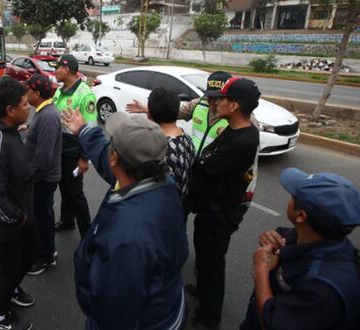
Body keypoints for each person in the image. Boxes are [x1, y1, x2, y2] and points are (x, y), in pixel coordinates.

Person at [63, 110, 188, 330]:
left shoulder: (127, 240)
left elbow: (116, 311)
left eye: (113, 144)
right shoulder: (159, 180)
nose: (108, 147)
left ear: (115, 159)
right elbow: (104, 156)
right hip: (165, 306)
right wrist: (83, 130)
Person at [241, 168, 360, 330]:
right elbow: (289, 235)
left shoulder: (324, 290)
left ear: (301, 215)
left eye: (292, 196)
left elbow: (271, 324)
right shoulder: (316, 236)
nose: (289, 198)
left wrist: (260, 272)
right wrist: (273, 238)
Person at [185, 78, 261, 329]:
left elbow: (204, 168)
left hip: (221, 211)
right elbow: (207, 156)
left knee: (213, 262)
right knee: (205, 257)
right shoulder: (235, 128)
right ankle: (204, 291)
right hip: (211, 206)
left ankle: (209, 316)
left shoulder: (242, 140)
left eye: (223, 99)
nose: (217, 103)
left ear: (235, 105)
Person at [0, 77, 36, 330]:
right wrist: (19, 218)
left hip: (18, 220)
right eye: (24, 104)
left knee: (28, 257)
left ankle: (11, 290)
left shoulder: (8, 131)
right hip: (5, 226)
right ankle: (0, 317)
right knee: (8, 271)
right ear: (10, 111)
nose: (29, 107)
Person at [127, 71, 233, 155]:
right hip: (194, 164)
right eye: (210, 96)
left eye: (218, 98)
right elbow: (171, 112)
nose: (213, 102)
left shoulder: (238, 117)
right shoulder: (198, 104)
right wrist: (149, 110)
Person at [52, 54, 96, 237]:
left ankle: (87, 234)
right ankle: (67, 220)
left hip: (75, 150)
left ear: (66, 69)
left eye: (57, 68)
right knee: (64, 186)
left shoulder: (85, 94)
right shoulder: (60, 91)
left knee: (76, 193)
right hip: (60, 148)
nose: (55, 71)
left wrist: (85, 158)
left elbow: (91, 129)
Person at [23, 74, 63, 276]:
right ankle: (44, 251)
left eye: (27, 90)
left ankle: (47, 256)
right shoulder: (42, 112)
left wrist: (30, 176)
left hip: (43, 178)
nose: (25, 94)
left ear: (36, 94)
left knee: (43, 217)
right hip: (41, 177)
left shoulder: (47, 116)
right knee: (41, 215)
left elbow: (44, 157)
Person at [146, 87, 195, 199]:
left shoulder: (158, 151)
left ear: (149, 114)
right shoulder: (187, 139)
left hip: (162, 212)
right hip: (181, 207)